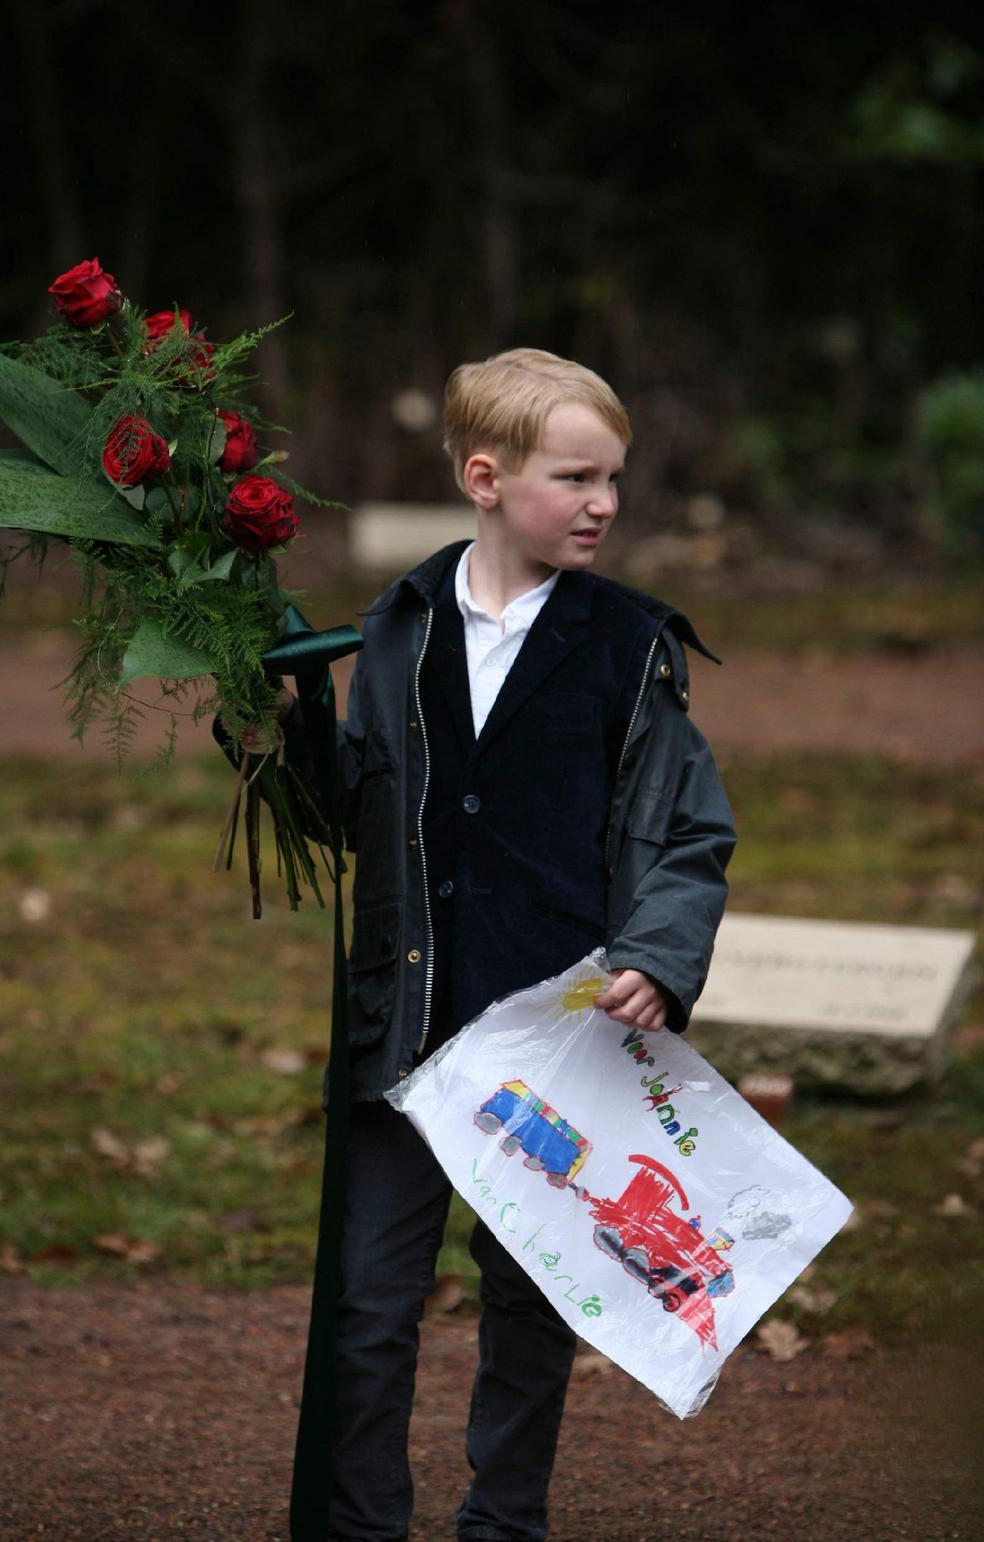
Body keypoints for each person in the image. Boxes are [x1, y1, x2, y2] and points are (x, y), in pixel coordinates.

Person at [276, 347, 736, 1541]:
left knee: (531, 1309)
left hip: (556, 1052)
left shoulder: (631, 647)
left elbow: (687, 829)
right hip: (406, 1036)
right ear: (484, 477)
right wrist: (282, 730)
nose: (602, 504)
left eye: (612, 479)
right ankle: (360, 1526)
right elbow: (348, 817)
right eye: (574, 477)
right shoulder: (396, 627)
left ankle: (504, 1525)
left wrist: (659, 953)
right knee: (369, 1307)